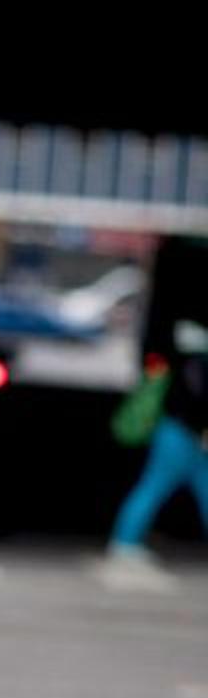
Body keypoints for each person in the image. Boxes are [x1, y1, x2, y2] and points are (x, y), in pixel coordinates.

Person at [106, 234, 208, 562]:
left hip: (179, 424)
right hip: (182, 426)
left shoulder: (180, 338)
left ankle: (125, 541)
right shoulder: (193, 347)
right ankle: (124, 543)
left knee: (184, 484)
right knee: (156, 484)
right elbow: (192, 389)